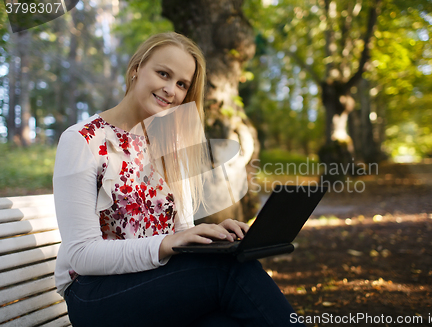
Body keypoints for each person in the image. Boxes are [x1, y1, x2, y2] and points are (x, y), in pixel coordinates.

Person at [53, 32, 303, 327]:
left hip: (153, 284)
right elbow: (82, 255)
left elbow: (180, 233)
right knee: (230, 273)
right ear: (136, 68)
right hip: (95, 295)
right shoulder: (83, 140)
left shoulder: (167, 145)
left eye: (182, 84)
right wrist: (168, 243)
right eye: (163, 74)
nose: (171, 90)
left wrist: (210, 237)